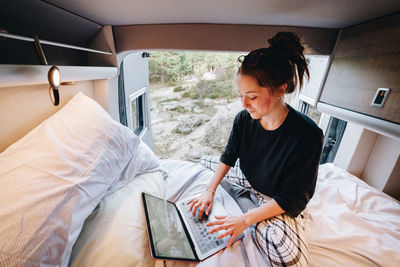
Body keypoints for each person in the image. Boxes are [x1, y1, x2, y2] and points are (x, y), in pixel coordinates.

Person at [187, 32, 324, 266]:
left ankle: (247, 203)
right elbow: (229, 156)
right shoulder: (243, 119)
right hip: (247, 176)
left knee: (285, 254)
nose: (244, 104)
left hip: (275, 198)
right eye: (241, 96)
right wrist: (209, 191)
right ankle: (243, 195)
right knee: (204, 162)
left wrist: (244, 220)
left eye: (251, 96)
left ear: (280, 90)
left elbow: (293, 197)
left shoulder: (308, 135)